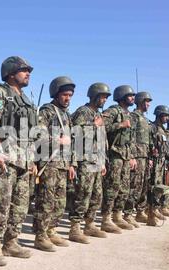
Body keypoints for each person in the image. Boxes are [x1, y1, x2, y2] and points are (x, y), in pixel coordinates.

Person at [0, 56, 37, 266]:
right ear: (11, 73)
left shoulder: (26, 100)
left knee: (20, 205)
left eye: (29, 70)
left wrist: (33, 159)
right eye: (23, 70)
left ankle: (11, 241)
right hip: (4, 158)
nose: (28, 73)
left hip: (24, 160)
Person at [33, 76, 77, 252]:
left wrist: (72, 164)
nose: (68, 98)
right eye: (65, 94)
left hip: (63, 164)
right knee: (46, 200)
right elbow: (37, 135)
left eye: (70, 95)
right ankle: (41, 235)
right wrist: (56, 140)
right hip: (49, 163)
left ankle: (52, 229)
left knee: (59, 201)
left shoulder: (66, 115)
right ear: (57, 94)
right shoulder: (47, 111)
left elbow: (72, 141)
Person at [69, 83, 110, 243]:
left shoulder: (98, 114)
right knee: (83, 193)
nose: (104, 100)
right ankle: (75, 227)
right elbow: (75, 134)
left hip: (96, 160)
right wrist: (94, 125)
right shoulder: (83, 112)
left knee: (97, 194)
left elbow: (101, 140)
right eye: (102, 96)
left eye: (106, 97)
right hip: (84, 159)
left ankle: (90, 224)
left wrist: (103, 162)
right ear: (94, 95)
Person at [101, 85, 137, 231]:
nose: (133, 98)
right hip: (114, 154)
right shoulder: (112, 110)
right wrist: (120, 124)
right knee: (112, 187)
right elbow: (101, 126)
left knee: (124, 187)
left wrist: (133, 156)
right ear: (122, 96)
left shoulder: (129, 114)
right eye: (130, 95)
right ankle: (106, 218)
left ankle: (118, 215)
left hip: (126, 155)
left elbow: (131, 139)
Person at [127, 92, 153, 224]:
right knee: (134, 186)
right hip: (136, 156)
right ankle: (128, 214)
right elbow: (130, 137)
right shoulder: (133, 116)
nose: (148, 104)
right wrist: (131, 156)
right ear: (140, 101)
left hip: (144, 156)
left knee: (143, 186)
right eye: (147, 101)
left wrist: (149, 157)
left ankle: (140, 211)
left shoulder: (145, 119)